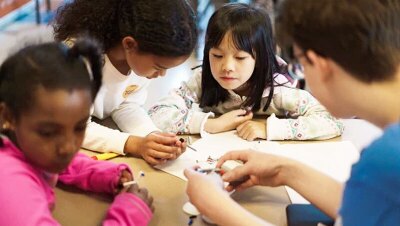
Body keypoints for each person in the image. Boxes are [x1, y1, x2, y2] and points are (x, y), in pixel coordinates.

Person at [184, 0, 400, 225]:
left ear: (318, 65)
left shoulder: (384, 161)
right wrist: (284, 170)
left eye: (300, 67)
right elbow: (366, 208)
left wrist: (218, 207)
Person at [0, 40, 154, 225]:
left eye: (80, 127)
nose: (68, 147)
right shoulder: (9, 183)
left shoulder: (29, 146)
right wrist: (129, 215)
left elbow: (60, 164)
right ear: (8, 116)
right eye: (49, 133)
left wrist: (106, 174)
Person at [148, 3, 343, 142]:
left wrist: (268, 128)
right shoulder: (202, 80)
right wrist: (212, 125)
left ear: (260, 58)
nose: (227, 67)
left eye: (240, 58)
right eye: (217, 55)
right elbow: (157, 114)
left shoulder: (277, 90)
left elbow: (332, 120)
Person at [52, 0, 198, 165]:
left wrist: (151, 136)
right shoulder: (80, 58)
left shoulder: (138, 61)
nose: (162, 75)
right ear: (129, 44)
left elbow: (126, 105)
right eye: (159, 67)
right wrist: (134, 144)